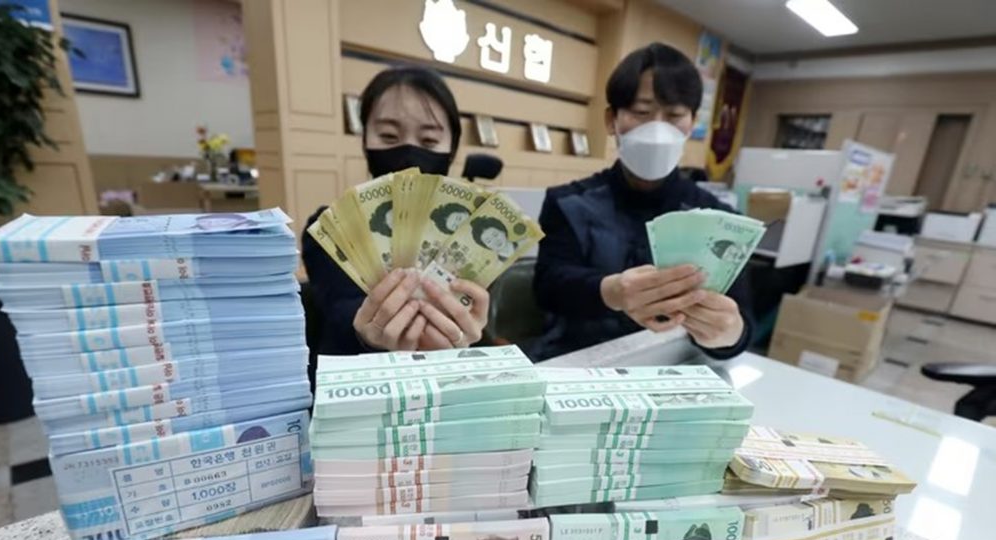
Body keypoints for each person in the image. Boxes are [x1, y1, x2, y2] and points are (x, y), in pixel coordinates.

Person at [531, 43, 755, 361]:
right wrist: (611, 291)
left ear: (692, 123)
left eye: (674, 115)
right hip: (580, 359)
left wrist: (729, 334)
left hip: (673, 362)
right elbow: (547, 288)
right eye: (641, 112)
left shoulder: (719, 219)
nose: (657, 129)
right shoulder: (568, 202)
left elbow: (740, 320)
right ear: (611, 119)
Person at [303, 67, 489, 355]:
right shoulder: (329, 228)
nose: (409, 152)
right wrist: (367, 335)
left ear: (451, 149)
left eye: (429, 141)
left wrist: (470, 336)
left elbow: (471, 320)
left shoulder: (472, 233)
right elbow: (339, 315)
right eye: (389, 136)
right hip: (357, 371)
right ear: (365, 141)